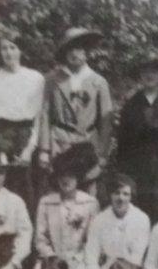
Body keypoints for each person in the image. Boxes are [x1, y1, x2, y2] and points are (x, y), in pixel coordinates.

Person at [38, 28, 113, 194]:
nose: (74, 53)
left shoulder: (98, 82)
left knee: (88, 194)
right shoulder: (52, 79)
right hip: (60, 143)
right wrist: (44, 149)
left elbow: (106, 121)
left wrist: (102, 154)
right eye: (69, 49)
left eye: (78, 48)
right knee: (58, 193)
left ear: (86, 52)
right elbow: (45, 114)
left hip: (87, 144)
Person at [0, 33, 45, 206]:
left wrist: (30, 148)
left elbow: (39, 116)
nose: (8, 53)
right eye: (4, 48)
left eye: (13, 47)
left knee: (29, 190)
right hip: (1, 137)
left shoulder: (35, 78)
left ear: (20, 50)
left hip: (27, 137)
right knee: (3, 188)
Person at [116, 56, 158, 222]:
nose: (149, 76)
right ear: (140, 76)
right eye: (145, 72)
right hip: (138, 165)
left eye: (154, 71)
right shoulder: (131, 105)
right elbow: (123, 142)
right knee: (139, 209)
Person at [34, 147, 100, 269]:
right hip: (51, 261)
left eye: (71, 175)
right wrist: (52, 258)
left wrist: (77, 259)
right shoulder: (46, 202)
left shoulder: (90, 203)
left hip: (79, 263)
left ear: (78, 178)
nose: (65, 179)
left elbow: (92, 241)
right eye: (61, 175)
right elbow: (40, 239)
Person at [84, 174, 151, 269]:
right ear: (110, 195)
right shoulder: (100, 220)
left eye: (125, 194)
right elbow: (91, 253)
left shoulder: (141, 219)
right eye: (117, 193)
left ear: (131, 197)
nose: (121, 198)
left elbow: (137, 256)